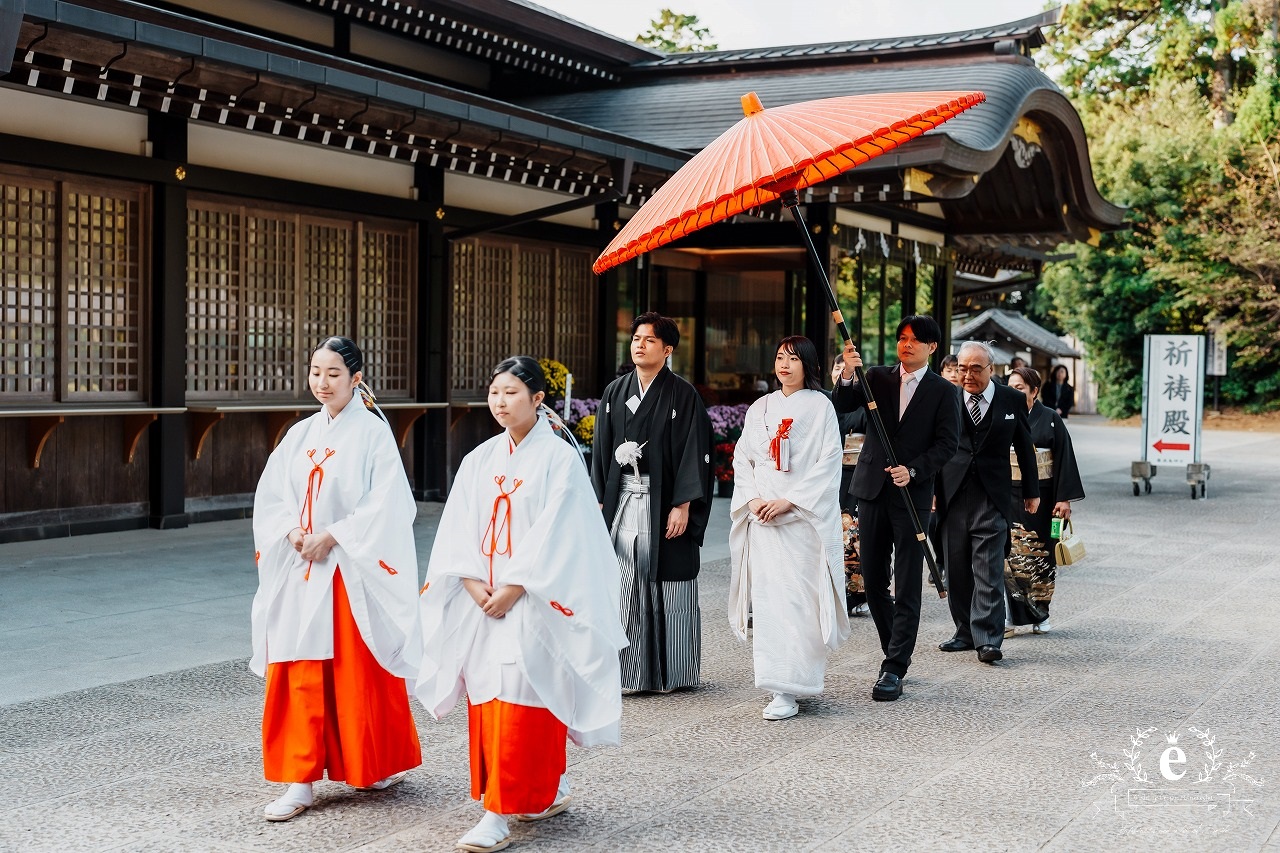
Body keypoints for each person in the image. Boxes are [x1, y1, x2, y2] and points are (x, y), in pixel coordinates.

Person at [415, 356, 626, 853]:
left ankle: (500, 811)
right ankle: (529, 790)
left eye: (512, 393)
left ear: (538, 401)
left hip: (532, 600)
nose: (500, 401)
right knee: (490, 694)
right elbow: (458, 527)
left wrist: (514, 585)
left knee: (525, 692)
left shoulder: (559, 460)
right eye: (495, 392)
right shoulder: (479, 459)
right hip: (481, 599)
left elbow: (564, 534)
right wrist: (471, 582)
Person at [251, 336, 422, 822]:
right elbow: (273, 494)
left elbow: (389, 503)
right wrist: (291, 531)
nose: (322, 383)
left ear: (357, 379)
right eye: (315, 372)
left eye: (333, 374)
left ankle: (369, 762)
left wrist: (335, 535)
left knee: (356, 671)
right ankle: (298, 778)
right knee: (298, 671)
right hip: (300, 564)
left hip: (348, 566)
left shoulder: (372, 433)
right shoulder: (300, 434)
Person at [832, 316, 961, 702]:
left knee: (906, 583)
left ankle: (893, 667)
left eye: (915, 341)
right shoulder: (877, 377)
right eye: (901, 338)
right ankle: (896, 651)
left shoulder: (943, 391)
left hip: (911, 495)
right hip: (871, 489)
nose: (906, 345)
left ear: (932, 347)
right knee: (872, 582)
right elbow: (841, 406)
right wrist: (850, 375)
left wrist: (916, 470)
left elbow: (947, 444)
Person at [728, 336, 849, 721]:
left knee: (799, 601)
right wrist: (753, 500)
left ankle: (801, 681)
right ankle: (779, 685)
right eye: (780, 357)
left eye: (793, 358)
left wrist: (789, 501)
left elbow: (829, 462)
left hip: (800, 520)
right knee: (769, 602)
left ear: (808, 365)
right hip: (763, 516)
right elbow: (743, 457)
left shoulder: (820, 406)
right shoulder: (760, 407)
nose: (785, 365)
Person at [592, 312, 713, 693]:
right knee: (624, 583)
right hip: (624, 500)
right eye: (636, 339)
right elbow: (600, 450)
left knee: (669, 586)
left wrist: (684, 504)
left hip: (665, 504)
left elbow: (697, 449)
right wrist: (598, 500)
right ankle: (627, 672)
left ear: (668, 349)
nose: (640, 345)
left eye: (649, 340)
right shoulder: (616, 391)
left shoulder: (682, 393)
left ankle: (673, 672)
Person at [936, 341, 1040, 664]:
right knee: (956, 569)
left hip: (992, 495)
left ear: (991, 370)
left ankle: (989, 638)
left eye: (975, 369)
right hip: (953, 493)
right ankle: (964, 631)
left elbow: (1025, 446)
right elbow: (935, 446)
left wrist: (1031, 491)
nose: (967, 375)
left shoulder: (1011, 399)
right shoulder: (947, 397)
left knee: (989, 569)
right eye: (962, 368)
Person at [1005, 367, 1086, 634]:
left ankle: (1041, 613)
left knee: (1043, 555)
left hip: (1046, 499)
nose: (1013, 392)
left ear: (1034, 391)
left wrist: (1064, 499)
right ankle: (1011, 616)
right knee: (1010, 555)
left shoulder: (1050, 418)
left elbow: (1064, 458)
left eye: (1019, 387)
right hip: (1009, 495)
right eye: (1010, 386)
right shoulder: (1003, 416)